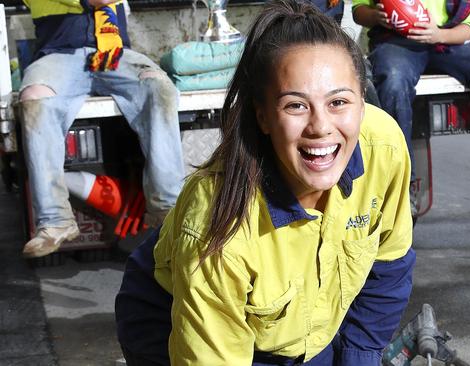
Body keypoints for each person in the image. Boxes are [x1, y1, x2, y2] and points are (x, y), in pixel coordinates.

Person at [114, 0, 415, 364]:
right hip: (178, 313)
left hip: (298, 330)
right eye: (295, 105)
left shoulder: (384, 146)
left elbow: (389, 268)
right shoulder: (218, 223)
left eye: (338, 102)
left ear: (362, 103)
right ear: (263, 117)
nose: (321, 126)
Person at [20, 0, 184, 258]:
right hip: (59, 56)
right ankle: (54, 220)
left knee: (158, 87)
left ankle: (168, 207)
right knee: (35, 98)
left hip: (115, 54)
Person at [352, 0, 470, 210]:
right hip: (397, 43)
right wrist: (375, 17)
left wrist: (438, 35)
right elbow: (358, 11)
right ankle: (403, 187)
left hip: (447, 40)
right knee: (393, 83)